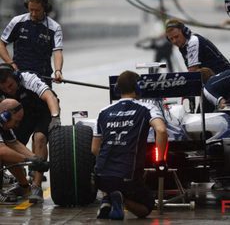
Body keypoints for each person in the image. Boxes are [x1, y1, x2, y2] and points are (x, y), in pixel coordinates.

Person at [91, 70, 168, 220]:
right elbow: (161, 130)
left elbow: (94, 149)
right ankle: (121, 199)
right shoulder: (147, 108)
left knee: (110, 179)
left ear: (117, 89)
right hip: (128, 176)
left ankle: (108, 198)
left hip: (101, 178)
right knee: (146, 207)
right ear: (138, 88)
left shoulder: (103, 112)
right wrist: (160, 160)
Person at [0, 63, 60, 203]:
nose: (8, 91)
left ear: (17, 78)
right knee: (6, 151)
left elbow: (50, 96)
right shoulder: (7, 116)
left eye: (10, 86)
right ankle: (23, 185)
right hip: (18, 116)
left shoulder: (29, 79)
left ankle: (35, 187)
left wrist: (55, 117)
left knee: (39, 138)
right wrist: (29, 160)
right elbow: (4, 150)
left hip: (42, 111)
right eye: (3, 89)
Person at [165, 18, 230, 113]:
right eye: (171, 39)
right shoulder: (183, 45)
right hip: (212, 83)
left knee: (201, 117)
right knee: (201, 116)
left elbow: (192, 73)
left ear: (185, 32)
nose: (174, 41)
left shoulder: (193, 42)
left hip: (221, 81)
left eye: (176, 37)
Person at [0, 0, 63, 87]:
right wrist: (10, 63)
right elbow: (1, 44)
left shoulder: (55, 28)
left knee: (51, 100)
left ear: (45, 8)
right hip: (19, 76)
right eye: (31, 10)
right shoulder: (17, 21)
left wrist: (58, 71)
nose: (33, 14)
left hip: (42, 78)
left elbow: (57, 52)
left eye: (37, 11)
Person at [0, 98, 49, 203]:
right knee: (6, 154)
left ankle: (25, 188)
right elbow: (2, 151)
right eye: (16, 121)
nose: (17, 125)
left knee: (11, 155)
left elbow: (14, 144)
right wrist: (28, 160)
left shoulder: (3, 125)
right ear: (5, 116)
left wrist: (36, 158)